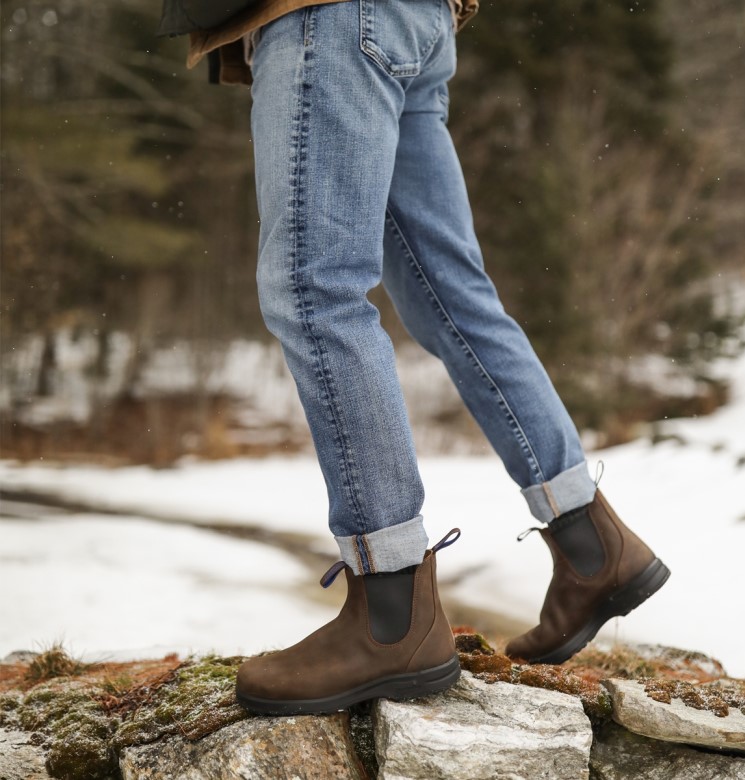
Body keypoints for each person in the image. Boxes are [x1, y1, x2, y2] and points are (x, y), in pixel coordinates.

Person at [158, 0, 670, 716]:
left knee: (315, 290)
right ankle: (589, 540)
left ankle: (390, 611)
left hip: (328, 17)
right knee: (451, 296)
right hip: (412, 19)